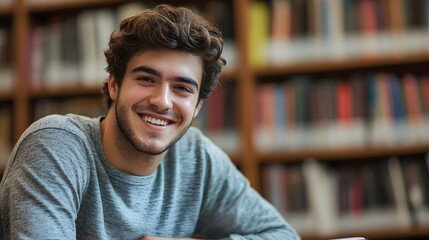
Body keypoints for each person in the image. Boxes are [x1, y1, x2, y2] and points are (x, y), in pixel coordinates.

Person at [0, 4, 300, 240]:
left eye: (182, 88)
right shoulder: (57, 145)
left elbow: (283, 235)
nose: (162, 101)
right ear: (114, 84)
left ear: (197, 107)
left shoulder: (197, 159)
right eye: (146, 79)